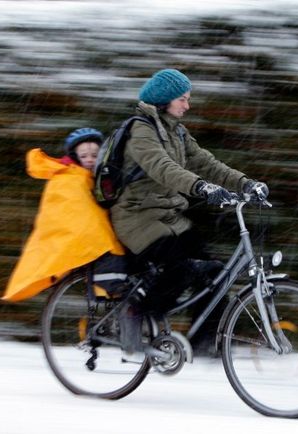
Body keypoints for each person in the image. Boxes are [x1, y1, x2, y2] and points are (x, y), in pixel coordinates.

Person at [110, 68, 268, 355]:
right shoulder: (141, 130)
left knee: (216, 275)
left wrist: (246, 183)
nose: (187, 105)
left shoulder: (178, 132)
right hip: (137, 218)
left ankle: (201, 342)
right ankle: (135, 314)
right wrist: (201, 188)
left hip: (169, 217)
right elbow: (163, 168)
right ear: (165, 100)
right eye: (183, 99)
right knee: (180, 270)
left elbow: (207, 163)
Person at [2, 128, 128, 302]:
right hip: (79, 230)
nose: (90, 160)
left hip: (83, 228)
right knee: (106, 245)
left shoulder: (92, 175)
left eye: (94, 155)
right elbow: (73, 209)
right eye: (84, 156)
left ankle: (112, 294)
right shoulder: (68, 177)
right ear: (75, 156)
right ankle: (112, 289)